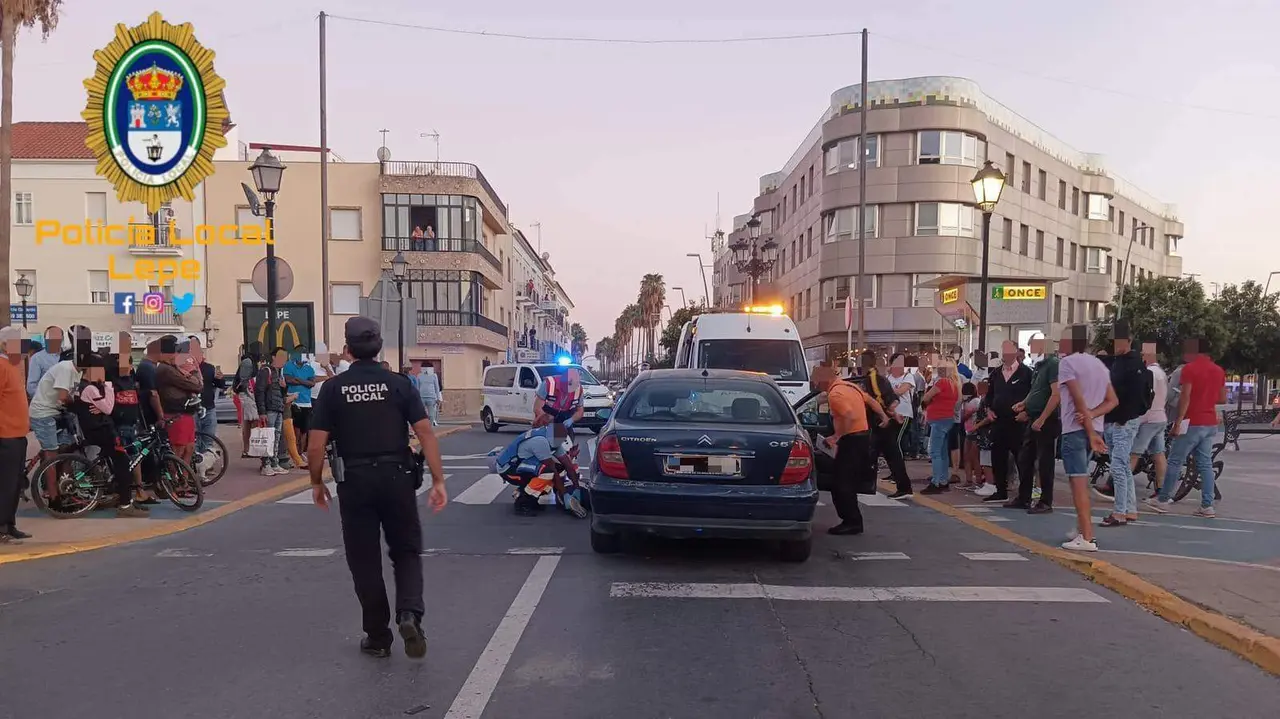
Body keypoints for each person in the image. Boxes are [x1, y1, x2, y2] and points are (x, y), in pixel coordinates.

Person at [307, 316, 447, 660]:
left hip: (354, 482)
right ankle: (410, 614)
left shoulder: (333, 388)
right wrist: (438, 479)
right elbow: (426, 433)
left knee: (364, 560)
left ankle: (378, 637)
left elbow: (315, 445)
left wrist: (315, 481)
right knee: (406, 552)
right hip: (397, 476)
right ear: (379, 346)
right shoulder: (399, 384)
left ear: (347, 349)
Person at [1147, 338, 1226, 517]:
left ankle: (1163, 500)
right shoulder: (1218, 370)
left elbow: (1186, 397)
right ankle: (1207, 505)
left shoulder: (1189, 369)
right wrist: (1206, 397)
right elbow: (1222, 399)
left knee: (1175, 460)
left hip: (1191, 421)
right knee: (1205, 464)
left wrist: (1178, 421)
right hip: (1209, 422)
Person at [1059, 325, 1117, 552]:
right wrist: (1093, 418)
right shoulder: (1099, 365)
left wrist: (1089, 427)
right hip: (1095, 428)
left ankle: (1087, 536)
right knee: (1080, 481)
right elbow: (1112, 401)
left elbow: (1077, 398)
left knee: (1078, 483)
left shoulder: (1067, 363)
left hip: (1075, 430)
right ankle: (1081, 530)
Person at [811, 365, 889, 535]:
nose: (816, 384)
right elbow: (871, 401)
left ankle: (852, 521)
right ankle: (851, 520)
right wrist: (883, 416)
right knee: (846, 480)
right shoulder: (850, 387)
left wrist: (836, 437)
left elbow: (848, 415)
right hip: (862, 438)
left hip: (851, 440)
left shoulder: (836, 394)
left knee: (842, 483)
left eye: (817, 381)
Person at [72, 354, 147, 517]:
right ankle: (125, 505)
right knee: (123, 464)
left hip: (97, 429)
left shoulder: (84, 386)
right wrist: (108, 386)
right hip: (102, 432)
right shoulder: (91, 388)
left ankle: (118, 496)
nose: (103, 373)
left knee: (115, 464)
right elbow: (109, 408)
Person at [1097, 321, 1151, 526]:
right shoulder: (1119, 361)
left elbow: (1135, 396)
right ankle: (1129, 509)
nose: (1116, 344)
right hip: (1116, 420)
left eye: (1120, 341)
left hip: (1123, 421)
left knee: (1119, 467)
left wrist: (1123, 417)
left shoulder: (1133, 364)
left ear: (1128, 341)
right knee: (1122, 466)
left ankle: (1119, 512)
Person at [28, 345, 83, 506]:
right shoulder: (66, 368)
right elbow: (64, 397)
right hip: (43, 413)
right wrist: (79, 404)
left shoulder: (79, 371)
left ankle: (64, 490)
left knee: (67, 449)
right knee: (51, 455)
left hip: (58, 412)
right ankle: (53, 498)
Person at [492, 422, 582, 517]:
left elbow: (567, 465)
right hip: (508, 468)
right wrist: (565, 495)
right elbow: (553, 471)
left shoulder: (553, 439)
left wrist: (577, 488)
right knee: (549, 473)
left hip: (521, 465)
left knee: (559, 469)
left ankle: (531, 498)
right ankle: (522, 502)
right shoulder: (541, 441)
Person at [1012, 339, 1061, 513]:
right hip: (1034, 417)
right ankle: (1024, 497)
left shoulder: (1053, 364)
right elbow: (1036, 392)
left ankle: (1046, 501)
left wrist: (1042, 417)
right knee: (1025, 458)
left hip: (1046, 420)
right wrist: (1024, 404)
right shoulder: (1039, 367)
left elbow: (1056, 394)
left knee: (1045, 461)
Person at [982, 340, 1033, 504]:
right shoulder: (996, 373)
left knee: (1022, 459)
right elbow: (988, 396)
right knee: (998, 457)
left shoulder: (1027, 373)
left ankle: (1025, 495)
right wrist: (988, 410)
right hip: (998, 421)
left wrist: (1027, 412)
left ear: (1017, 352)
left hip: (1018, 422)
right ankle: (1000, 490)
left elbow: (1033, 394)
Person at [857, 352, 912, 499]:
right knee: (887, 455)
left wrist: (886, 415)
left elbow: (887, 400)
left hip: (879, 423)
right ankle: (902, 487)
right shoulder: (873, 378)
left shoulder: (874, 379)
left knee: (875, 453)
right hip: (882, 421)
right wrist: (893, 414)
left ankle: (867, 485)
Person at [0, 327, 31, 543]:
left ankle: (9, 524)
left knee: (15, 483)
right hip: (6, 435)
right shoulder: (1, 367)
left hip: (18, 434)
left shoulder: (13, 366)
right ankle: (2, 526)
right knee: (6, 483)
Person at [157, 338, 203, 467]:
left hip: (185, 412)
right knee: (178, 450)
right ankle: (176, 481)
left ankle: (184, 481)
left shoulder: (173, 367)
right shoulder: (166, 369)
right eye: (175, 353)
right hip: (175, 413)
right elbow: (196, 386)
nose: (177, 356)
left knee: (189, 448)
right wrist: (190, 378)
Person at [1132, 343, 1168, 500]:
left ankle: (1115, 486)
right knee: (1158, 454)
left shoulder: (1150, 373)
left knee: (1134, 453)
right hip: (1160, 417)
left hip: (1149, 418)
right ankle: (1161, 491)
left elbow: (1146, 396)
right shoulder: (1161, 372)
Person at [920, 362, 960, 494]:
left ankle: (936, 482)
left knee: (935, 452)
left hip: (938, 419)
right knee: (943, 452)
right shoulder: (955, 384)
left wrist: (928, 402)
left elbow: (926, 397)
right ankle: (943, 480)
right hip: (948, 419)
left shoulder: (942, 382)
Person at [189, 337, 224, 472]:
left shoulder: (209, 367)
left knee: (208, 438)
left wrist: (220, 379)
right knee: (195, 438)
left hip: (209, 407)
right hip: (193, 409)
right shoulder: (185, 367)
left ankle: (206, 465)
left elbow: (220, 385)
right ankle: (196, 466)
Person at [255, 347, 289, 475]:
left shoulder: (280, 373)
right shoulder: (266, 371)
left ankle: (274, 462)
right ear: (274, 357)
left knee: (276, 437)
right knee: (268, 438)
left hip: (278, 408)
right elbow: (260, 391)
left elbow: (281, 393)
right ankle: (266, 464)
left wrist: (284, 388)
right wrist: (262, 411)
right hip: (269, 409)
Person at [284, 345, 317, 456]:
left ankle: (301, 452)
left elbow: (312, 383)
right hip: (293, 402)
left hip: (306, 403)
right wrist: (305, 382)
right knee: (294, 429)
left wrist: (298, 379)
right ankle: (294, 453)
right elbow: (289, 380)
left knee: (304, 430)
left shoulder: (309, 368)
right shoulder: (288, 365)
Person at [961, 381, 993, 491]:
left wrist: (976, 425)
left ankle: (978, 481)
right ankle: (969, 480)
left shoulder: (976, 401)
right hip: (969, 431)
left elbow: (965, 416)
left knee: (975, 458)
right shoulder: (971, 401)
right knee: (967, 457)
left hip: (976, 432)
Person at [233, 344, 261, 458]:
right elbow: (244, 380)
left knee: (249, 423)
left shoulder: (248, 361)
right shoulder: (248, 362)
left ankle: (248, 449)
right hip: (248, 395)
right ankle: (249, 449)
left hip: (247, 395)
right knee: (252, 421)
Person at [26, 325, 63, 398]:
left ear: (62, 339)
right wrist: (46, 399)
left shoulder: (68, 356)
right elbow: (31, 387)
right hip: (47, 404)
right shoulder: (37, 358)